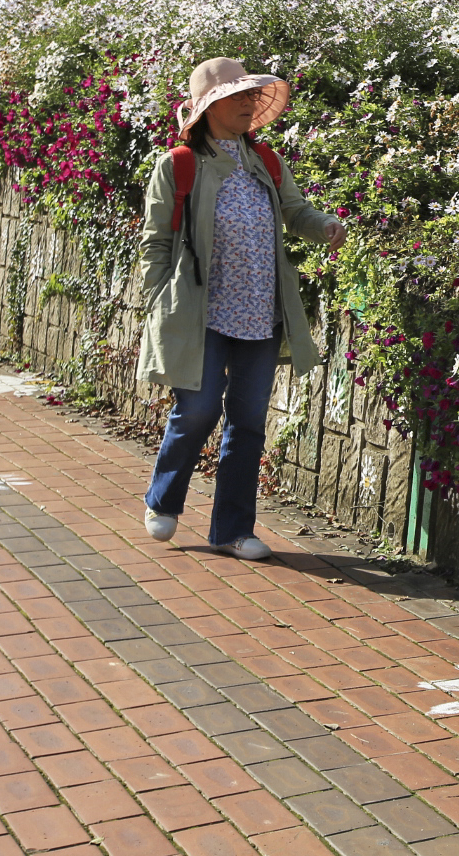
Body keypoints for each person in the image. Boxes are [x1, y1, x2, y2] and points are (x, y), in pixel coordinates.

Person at [136, 57, 346, 558]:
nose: (250, 103)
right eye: (239, 95)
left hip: (260, 311)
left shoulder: (266, 160)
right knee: (198, 410)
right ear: (209, 106)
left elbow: (294, 210)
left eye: (253, 94)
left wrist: (324, 225)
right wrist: (159, 299)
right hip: (200, 313)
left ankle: (233, 530)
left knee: (248, 421)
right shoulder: (178, 165)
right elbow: (154, 242)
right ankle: (162, 499)